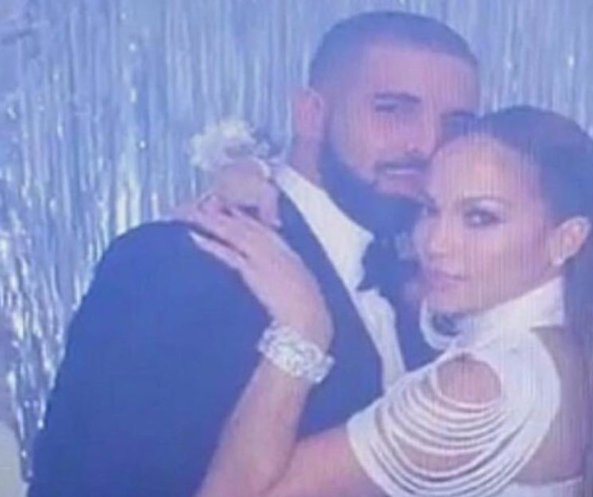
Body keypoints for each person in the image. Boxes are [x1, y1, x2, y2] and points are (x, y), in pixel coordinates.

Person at [28, 11, 479, 497]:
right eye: (392, 110)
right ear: (311, 114)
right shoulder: (183, 261)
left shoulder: (429, 282)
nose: (427, 145)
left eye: (454, 125)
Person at [185, 106, 593, 497]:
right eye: (430, 209)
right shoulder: (571, 342)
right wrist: (261, 175)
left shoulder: (480, 389)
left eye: (480, 218)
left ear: (567, 239)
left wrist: (303, 328)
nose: (435, 243)